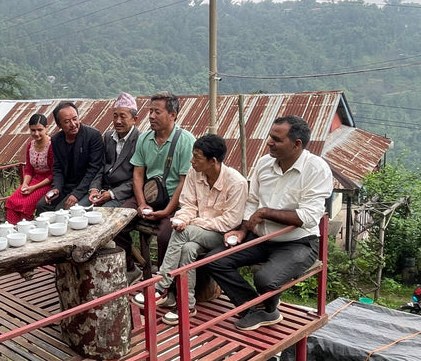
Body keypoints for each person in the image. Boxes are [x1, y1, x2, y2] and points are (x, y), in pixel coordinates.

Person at [205, 115, 333, 331]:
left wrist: (265, 213)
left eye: (277, 139)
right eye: (270, 136)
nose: (269, 142)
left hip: (298, 242)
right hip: (261, 237)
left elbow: (309, 217)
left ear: (297, 144)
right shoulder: (264, 164)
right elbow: (252, 201)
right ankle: (257, 310)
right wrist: (244, 230)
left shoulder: (316, 169)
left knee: (265, 279)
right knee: (214, 261)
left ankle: (265, 306)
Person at [137, 134, 247, 325]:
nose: (192, 161)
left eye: (197, 157)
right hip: (198, 231)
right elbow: (187, 204)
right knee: (187, 248)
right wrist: (182, 218)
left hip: (222, 236)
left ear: (213, 161)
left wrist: (191, 223)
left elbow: (229, 222)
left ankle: (162, 285)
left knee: (184, 232)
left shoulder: (236, 183)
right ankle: (187, 305)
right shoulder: (194, 173)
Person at [116, 92, 195, 275]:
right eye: (150, 111)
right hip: (149, 195)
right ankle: (130, 268)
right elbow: (138, 174)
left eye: (157, 112)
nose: (151, 116)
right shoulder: (144, 139)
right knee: (118, 222)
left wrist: (167, 211)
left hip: (175, 200)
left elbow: (184, 182)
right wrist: (142, 203)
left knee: (166, 236)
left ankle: (163, 281)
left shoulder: (186, 141)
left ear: (173, 115)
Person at [37, 101, 104, 212]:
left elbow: (93, 170)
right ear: (59, 125)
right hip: (65, 186)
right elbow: (57, 168)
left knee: (61, 210)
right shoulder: (56, 140)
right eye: (67, 122)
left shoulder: (93, 136)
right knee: (42, 205)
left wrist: (76, 194)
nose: (73, 124)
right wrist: (56, 188)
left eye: (75, 119)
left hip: (86, 186)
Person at [83, 92, 140, 208]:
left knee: (102, 214)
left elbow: (138, 177)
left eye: (123, 117)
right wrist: (94, 189)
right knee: (79, 208)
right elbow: (101, 167)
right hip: (103, 189)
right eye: (115, 116)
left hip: (123, 194)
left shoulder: (140, 140)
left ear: (134, 119)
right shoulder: (109, 137)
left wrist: (112, 194)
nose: (118, 121)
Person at [5, 113, 53, 224]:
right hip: (33, 180)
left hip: (48, 182)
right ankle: (13, 229)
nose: (36, 133)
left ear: (46, 128)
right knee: (12, 201)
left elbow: (53, 174)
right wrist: (25, 184)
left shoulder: (52, 146)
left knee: (26, 205)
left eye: (40, 130)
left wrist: (34, 187)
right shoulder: (30, 145)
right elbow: (29, 169)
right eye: (33, 130)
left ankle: (26, 230)